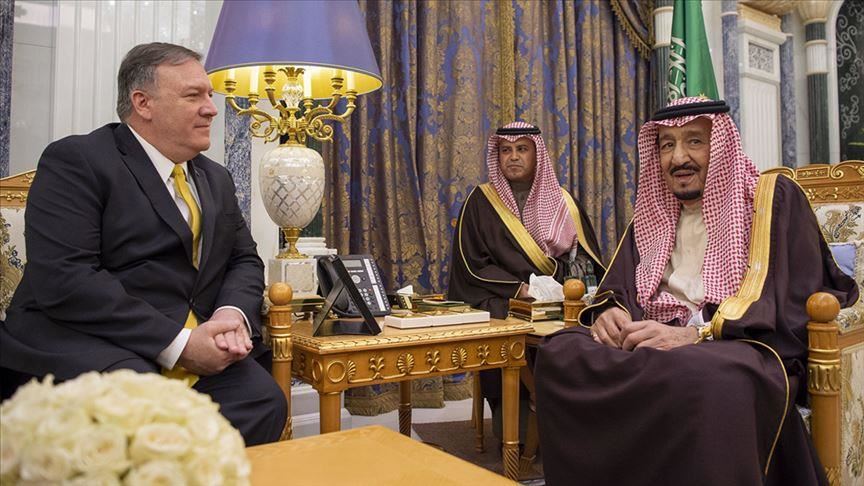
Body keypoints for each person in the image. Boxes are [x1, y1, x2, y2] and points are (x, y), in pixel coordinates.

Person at [534, 97, 858, 486]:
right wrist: (610, 311)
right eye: (667, 145)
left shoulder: (773, 200)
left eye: (694, 141)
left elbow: (794, 295)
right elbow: (620, 284)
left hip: (739, 343)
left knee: (700, 376)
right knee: (559, 353)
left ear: (720, 145)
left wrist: (697, 333)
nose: (678, 158)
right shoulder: (652, 211)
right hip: (651, 335)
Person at [0, 43, 286, 445]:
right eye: (193, 96)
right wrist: (179, 345)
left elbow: (243, 260)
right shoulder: (77, 161)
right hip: (89, 338)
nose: (211, 109)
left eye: (209, 95)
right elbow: (66, 278)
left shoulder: (216, 178)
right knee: (144, 410)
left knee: (264, 401)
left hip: (191, 339)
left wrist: (230, 315)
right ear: (142, 103)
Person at [448, 121, 605, 438]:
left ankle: (570, 406)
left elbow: (588, 261)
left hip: (559, 299)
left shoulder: (564, 202)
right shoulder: (480, 201)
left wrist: (561, 284)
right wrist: (520, 289)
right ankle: (515, 407)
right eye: (506, 150)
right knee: (500, 322)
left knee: (588, 321)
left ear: (537, 154)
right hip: (502, 297)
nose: (513, 157)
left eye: (522, 149)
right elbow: (471, 264)